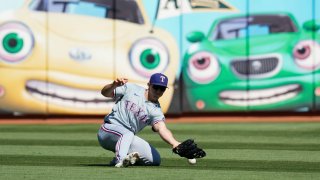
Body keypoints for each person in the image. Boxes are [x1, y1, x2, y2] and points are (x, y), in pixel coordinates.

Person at [97, 73, 181, 167]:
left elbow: (162, 128)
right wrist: (113, 85)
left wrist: (174, 143)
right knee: (127, 133)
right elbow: (105, 93)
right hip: (108, 130)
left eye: (162, 89)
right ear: (149, 85)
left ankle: (127, 158)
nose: (158, 91)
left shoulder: (156, 111)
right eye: (156, 87)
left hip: (127, 138)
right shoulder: (132, 88)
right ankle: (119, 159)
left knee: (155, 159)